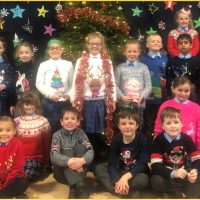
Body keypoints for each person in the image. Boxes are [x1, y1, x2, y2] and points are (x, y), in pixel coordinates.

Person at [69, 32, 116, 163]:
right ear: (87, 45)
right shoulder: (81, 61)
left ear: (102, 45)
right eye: (92, 43)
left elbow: (112, 81)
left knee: (101, 128)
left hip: (101, 100)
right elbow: (75, 81)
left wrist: (113, 99)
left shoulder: (107, 61)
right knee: (88, 128)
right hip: (86, 100)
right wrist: (74, 99)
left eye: (98, 44)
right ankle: (88, 154)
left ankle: (99, 154)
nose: (95, 46)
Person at [94, 110, 149, 198]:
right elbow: (112, 164)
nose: (127, 126)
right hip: (119, 170)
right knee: (99, 168)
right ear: (119, 126)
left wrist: (125, 177)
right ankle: (124, 190)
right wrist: (117, 180)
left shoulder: (143, 139)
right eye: (123, 124)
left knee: (143, 180)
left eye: (131, 123)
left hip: (135, 173)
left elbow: (142, 165)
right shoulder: (117, 139)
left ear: (137, 125)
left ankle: (115, 189)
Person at [151, 107, 200, 198]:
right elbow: (155, 166)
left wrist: (195, 171)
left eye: (176, 122)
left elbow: (197, 159)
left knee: (197, 177)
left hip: (184, 173)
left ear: (181, 124)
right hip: (167, 175)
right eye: (168, 123)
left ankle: (176, 194)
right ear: (163, 126)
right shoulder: (159, 140)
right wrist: (173, 173)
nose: (173, 126)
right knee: (156, 181)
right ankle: (181, 193)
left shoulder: (187, 139)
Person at [50, 106, 94, 199]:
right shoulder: (57, 135)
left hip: (80, 169)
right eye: (66, 119)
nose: (69, 121)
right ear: (61, 122)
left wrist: (82, 160)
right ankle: (80, 185)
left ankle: (74, 188)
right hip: (62, 174)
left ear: (78, 122)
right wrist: (69, 161)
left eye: (73, 118)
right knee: (67, 151)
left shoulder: (81, 133)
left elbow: (91, 151)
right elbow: (53, 155)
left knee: (82, 148)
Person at [36, 38, 74, 133]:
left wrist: (68, 94)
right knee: (50, 127)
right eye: (52, 48)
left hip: (65, 102)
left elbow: (72, 83)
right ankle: (52, 146)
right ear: (48, 51)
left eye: (57, 48)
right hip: (49, 103)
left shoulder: (68, 65)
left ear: (62, 50)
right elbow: (39, 83)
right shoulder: (43, 65)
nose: (55, 50)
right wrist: (50, 95)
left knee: (66, 125)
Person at [154, 76, 200, 150]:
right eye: (180, 90)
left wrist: (198, 148)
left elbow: (199, 129)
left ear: (190, 91)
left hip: (190, 148)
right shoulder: (165, 105)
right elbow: (159, 125)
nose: (183, 93)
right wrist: (157, 142)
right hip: (167, 146)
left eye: (186, 91)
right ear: (173, 89)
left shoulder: (196, 108)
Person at [115, 39, 151, 131]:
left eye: (135, 51)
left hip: (138, 105)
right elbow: (115, 85)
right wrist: (122, 97)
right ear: (125, 52)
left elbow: (148, 86)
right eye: (129, 51)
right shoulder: (120, 68)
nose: (132, 54)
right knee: (124, 127)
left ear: (139, 52)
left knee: (138, 127)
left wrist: (142, 97)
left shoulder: (144, 67)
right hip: (124, 105)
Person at [15, 91, 52, 181]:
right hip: (19, 158)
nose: (29, 107)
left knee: (26, 176)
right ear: (22, 105)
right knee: (11, 174)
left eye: (32, 104)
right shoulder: (16, 121)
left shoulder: (43, 121)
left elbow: (47, 143)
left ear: (36, 105)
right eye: (27, 104)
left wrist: (46, 161)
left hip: (35, 159)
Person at [140, 34, 168, 139]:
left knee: (160, 116)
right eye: (153, 41)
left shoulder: (165, 59)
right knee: (148, 118)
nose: (156, 43)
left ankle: (160, 137)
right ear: (147, 44)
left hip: (161, 94)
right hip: (147, 96)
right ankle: (149, 137)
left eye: (158, 41)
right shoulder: (142, 59)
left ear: (161, 45)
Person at [0, 116, 29, 198]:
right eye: (0, 130)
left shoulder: (18, 144)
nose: (4, 133)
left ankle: (3, 194)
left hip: (12, 178)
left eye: (8, 130)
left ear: (14, 131)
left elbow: (17, 167)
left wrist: (4, 185)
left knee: (23, 182)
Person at [166, 33, 200, 102]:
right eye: (180, 43)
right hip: (176, 92)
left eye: (186, 43)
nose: (183, 45)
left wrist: (195, 85)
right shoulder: (172, 61)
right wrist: (172, 89)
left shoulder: (197, 61)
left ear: (191, 45)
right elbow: (169, 77)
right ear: (177, 46)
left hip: (192, 92)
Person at [0, 37, 15, 116]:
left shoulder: (7, 65)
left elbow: (11, 79)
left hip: (3, 97)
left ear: (3, 50)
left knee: (2, 118)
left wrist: (4, 85)